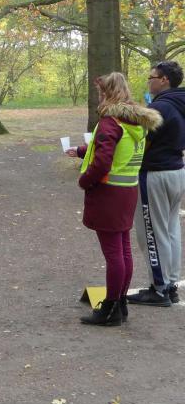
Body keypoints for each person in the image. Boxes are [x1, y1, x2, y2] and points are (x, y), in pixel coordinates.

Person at [66, 73, 161, 326]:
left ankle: (110, 309)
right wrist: (81, 150)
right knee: (123, 250)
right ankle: (119, 304)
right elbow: (116, 149)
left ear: (107, 93)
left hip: (108, 195)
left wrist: (84, 180)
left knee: (113, 254)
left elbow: (103, 162)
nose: (98, 97)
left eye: (100, 93)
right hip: (128, 191)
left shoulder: (110, 122)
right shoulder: (135, 122)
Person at [126, 61, 185, 307]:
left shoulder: (159, 107)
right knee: (170, 230)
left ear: (164, 80)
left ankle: (159, 290)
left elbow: (143, 142)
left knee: (151, 231)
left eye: (151, 77)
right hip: (177, 170)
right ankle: (169, 284)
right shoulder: (179, 103)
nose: (148, 81)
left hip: (155, 174)